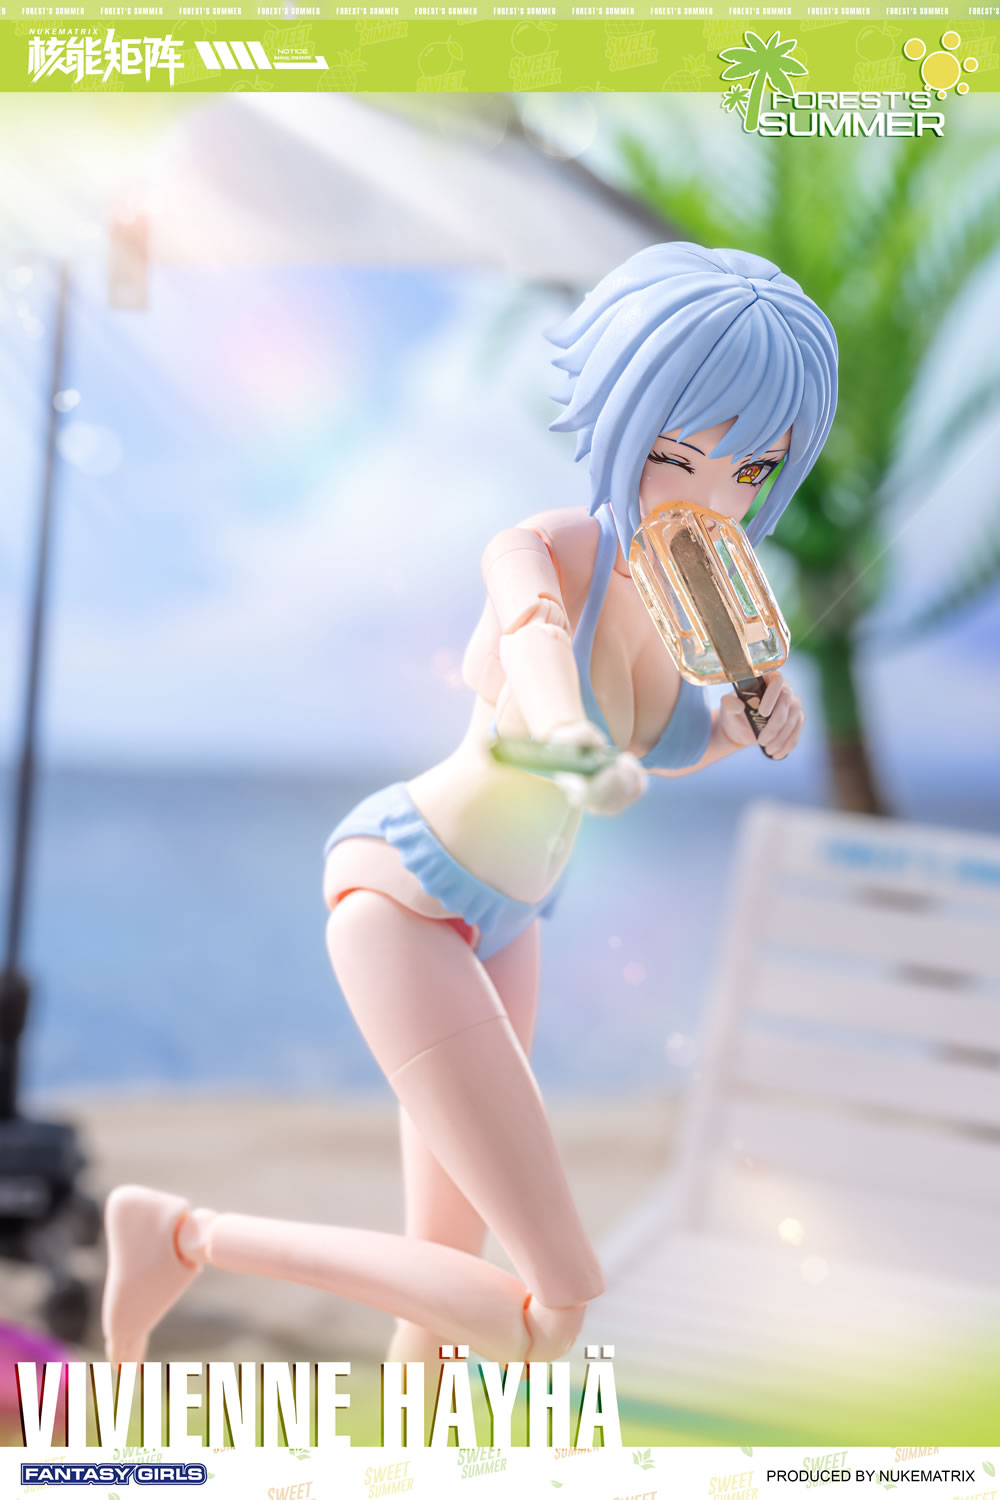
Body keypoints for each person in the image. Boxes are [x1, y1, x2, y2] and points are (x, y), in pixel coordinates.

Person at [102, 243, 838, 1368]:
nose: (707, 498)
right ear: (625, 418)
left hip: (511, 919)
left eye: (748, 472)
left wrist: (739, 726)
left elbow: (667, 736)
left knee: (445, 1272)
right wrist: (569, 737)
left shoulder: (679, 595)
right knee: (551, 1306)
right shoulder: (540, 549)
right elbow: (536, 643)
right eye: (675, 455)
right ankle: (186, 1237)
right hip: (408, 895)